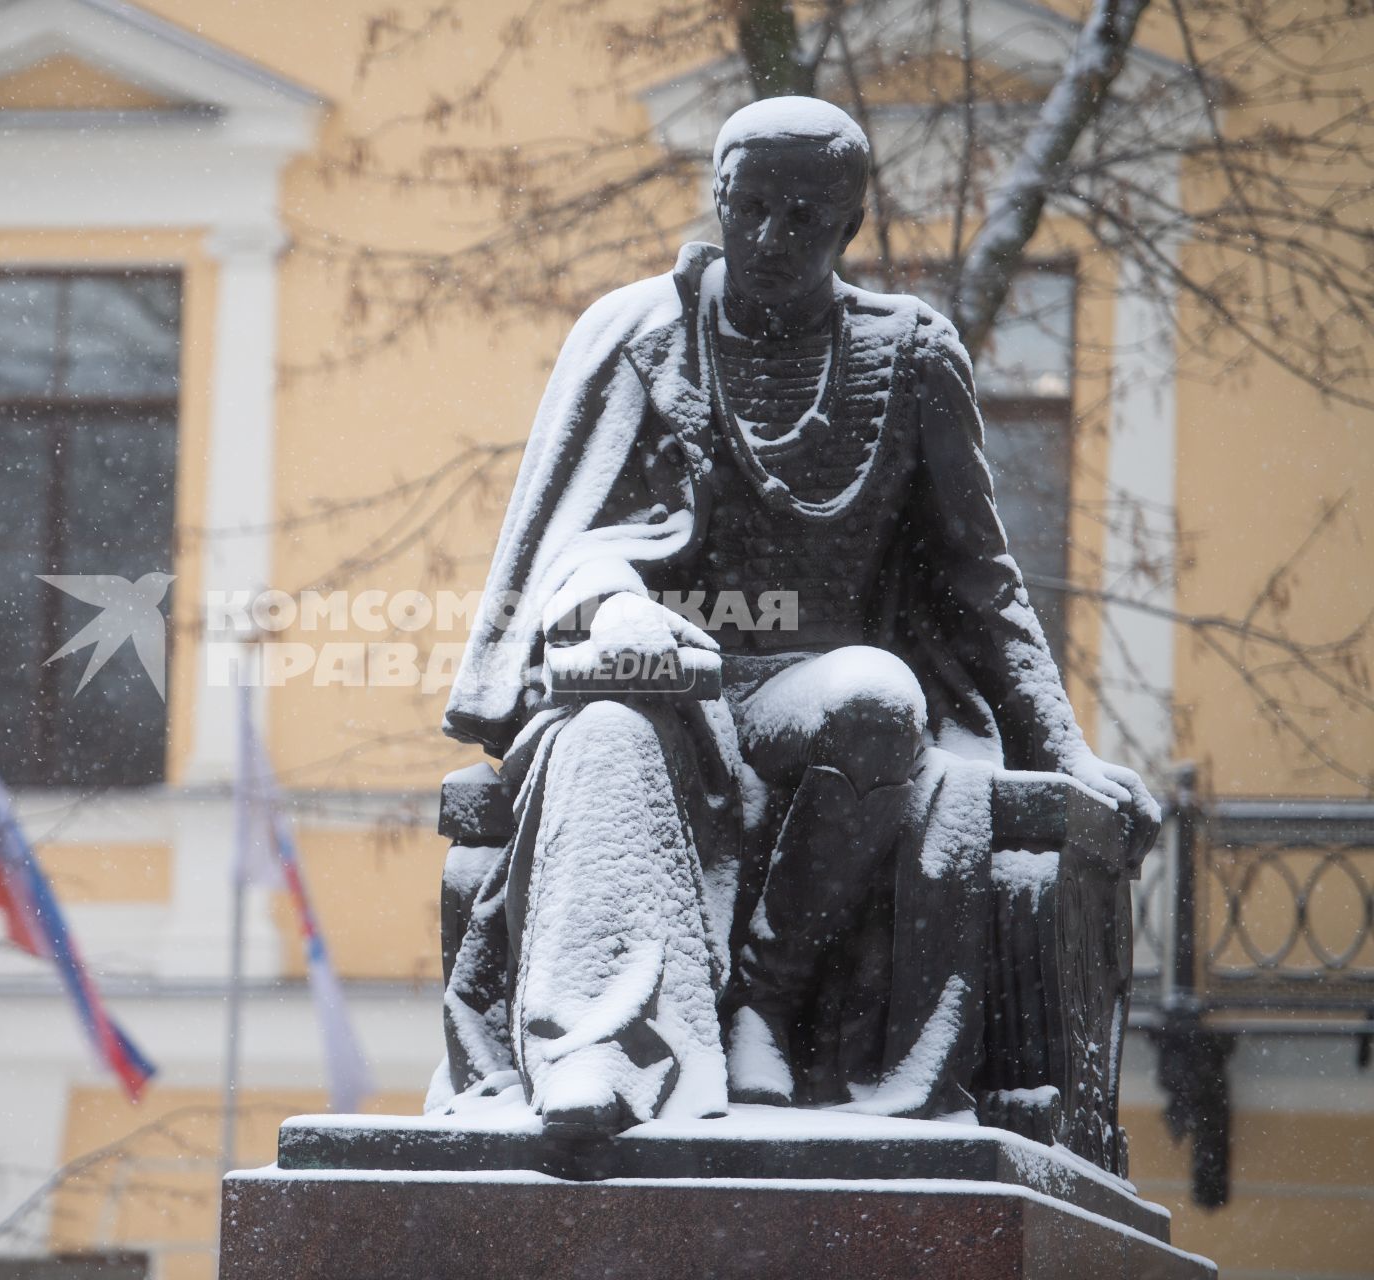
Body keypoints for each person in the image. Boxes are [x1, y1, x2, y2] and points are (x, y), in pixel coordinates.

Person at [432, 96, 1160, 1136]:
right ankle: (596, 1054)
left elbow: (981, 577)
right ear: (717, 198)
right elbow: (565, 545)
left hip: (806, 684)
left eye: (805, 216)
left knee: (877, 697)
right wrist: (611, 605)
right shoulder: (639, 334)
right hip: (656, 683)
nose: (772, 238)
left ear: (849, 227)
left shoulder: (909, 352)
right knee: (601, 737)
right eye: (752, 206)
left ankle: (763, 1004)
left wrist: (1066, 751)